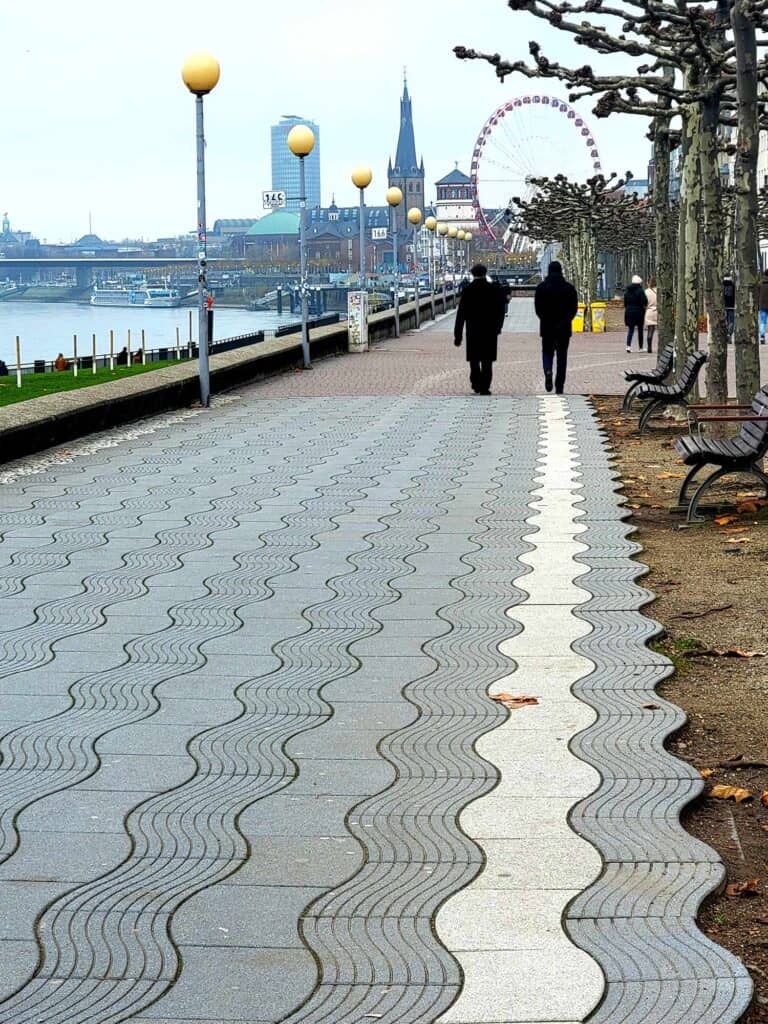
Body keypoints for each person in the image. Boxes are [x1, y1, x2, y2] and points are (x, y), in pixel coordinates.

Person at [453, 263, 506, 395]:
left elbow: (461, 315)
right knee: (487, 360)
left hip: (473, 330)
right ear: (485, 273)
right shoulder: (493, 290)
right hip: (490, 330)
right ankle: (485, 386)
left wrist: (457, 335)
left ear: (472, 274)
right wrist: (498, 327)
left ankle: (475, 382)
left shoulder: (467, 290)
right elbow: (500, 311)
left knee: (474, 359)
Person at [534, 260, 579, 395]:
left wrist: (544, 318)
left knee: (547, 352)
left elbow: (538, 308)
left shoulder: (541, 288)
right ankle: (559, 386)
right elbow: (574, 308)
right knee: (562, 357)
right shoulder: (569, 288)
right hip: (564, 328)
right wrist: (567, 319)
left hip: (547, 326)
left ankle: (548, 371)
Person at [624, 275, 648, 353]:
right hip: (639, 312)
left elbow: (625, 302)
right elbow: (644, 301)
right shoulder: (640, 291)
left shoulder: (627, 291)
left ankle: (628, 346)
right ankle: (640, 347)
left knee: (631, 329)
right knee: (640, 330)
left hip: (629, 312)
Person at [644, 276, 658, 353]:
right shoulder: (659, 291)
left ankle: (649, 347)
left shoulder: (646, 292)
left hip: (649, 312)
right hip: (658, 312)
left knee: (650, 330)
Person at [724, 274, 736, 341]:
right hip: (732, 306)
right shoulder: (733, 286)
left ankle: (725, 334)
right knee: (731, 321)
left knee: (724, 321)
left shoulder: (721, 285)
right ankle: (729, 334)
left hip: (723, 307)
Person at [758, 270, 768, 344]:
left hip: (762, 305)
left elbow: (757, 294)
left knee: (763, 322)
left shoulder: (760, 283)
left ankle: (762, 336)